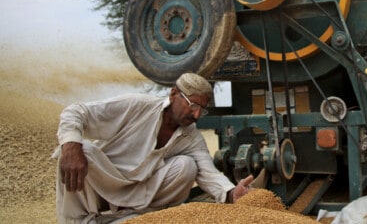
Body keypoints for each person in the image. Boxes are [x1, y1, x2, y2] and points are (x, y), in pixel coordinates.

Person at [53, 72, 253, 223]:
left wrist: (230, 193)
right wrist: (71, 145)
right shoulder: (137, 106)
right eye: (192, 105)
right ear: (174, 94)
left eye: (202, 109)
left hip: (139, 197)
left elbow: (207, 172)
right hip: (105, 182)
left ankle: (140, 218)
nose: (197, 115)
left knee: (187, 166)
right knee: (81, 151)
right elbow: (75, 111)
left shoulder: (191, 136)